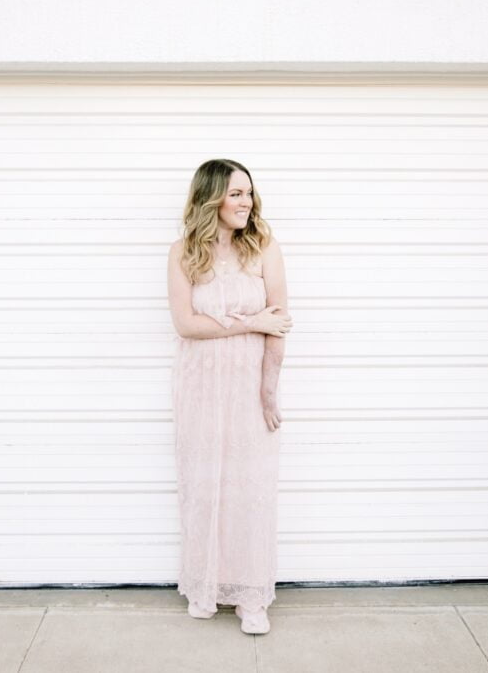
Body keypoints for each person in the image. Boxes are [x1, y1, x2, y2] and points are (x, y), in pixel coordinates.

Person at [167, 159, 292, 635]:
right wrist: (250, 321)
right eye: (236, 193)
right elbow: (186, 325)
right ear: (211, 198)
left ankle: (250, 597)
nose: (246, 202)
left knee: (248, 488)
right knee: (203, 486)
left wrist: (268, 390)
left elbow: (278, 323)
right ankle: (205, 587)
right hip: (199, 385)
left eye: (249, 193)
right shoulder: (183, 253)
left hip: (246, 385)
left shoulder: (264, 247)